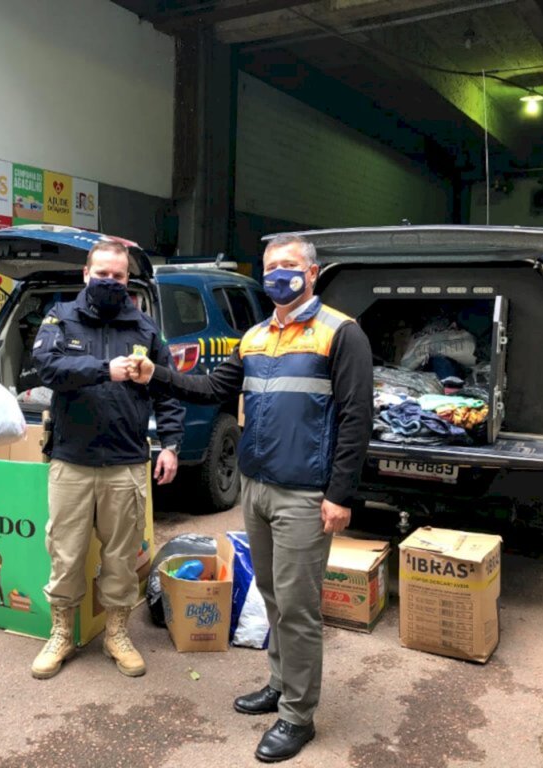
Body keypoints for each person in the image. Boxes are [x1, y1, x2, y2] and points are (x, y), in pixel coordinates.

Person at [131, 234, 373, 763]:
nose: (278, 275)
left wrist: (340, 493)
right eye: (270, 267)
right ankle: (279, 683)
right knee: (271, 596)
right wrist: (158, 375)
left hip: (306, 495)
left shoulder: (341, 334)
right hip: (258, 488)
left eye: (289, 266)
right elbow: (212, 389)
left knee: (299, 607)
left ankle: (297, 715)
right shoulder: (256, 336)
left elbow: (357, 419)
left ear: (312, 273)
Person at [29, 239, 185, 680]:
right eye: (101, 274)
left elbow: (167, 388)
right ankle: (61, 633)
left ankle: (117, 633)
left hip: (126, 461)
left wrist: (171, 443)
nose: (109, 282)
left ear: (127, 279)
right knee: (65, 552)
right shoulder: (61, 317)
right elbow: (47, 369)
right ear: (86, 273)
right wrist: (105, 369)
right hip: (72, 461)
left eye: (117, 276)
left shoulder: (144, 328)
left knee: (121, 555)